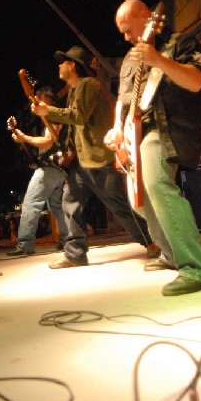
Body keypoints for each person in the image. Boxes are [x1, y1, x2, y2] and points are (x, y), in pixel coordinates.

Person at [104, 0, 201, 296]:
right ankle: (169, 254)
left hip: (163, 129)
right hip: (133, 134)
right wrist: (116, 128)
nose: (126, 37)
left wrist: (158, 60)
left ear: (146, 16)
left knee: (157, 184)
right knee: (140, 202)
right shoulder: (128, 59)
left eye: (128, 29)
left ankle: (195, 268)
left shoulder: (180, 43)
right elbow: (122, 101)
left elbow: (195, 81)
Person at [32, 45, 160, 268]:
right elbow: (76, 127)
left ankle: (153, 241)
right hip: (83, 162)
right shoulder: (74, 89)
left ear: (72, 65)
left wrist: (49, 112)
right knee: (70, 202)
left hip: (100, 161)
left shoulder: (89, 85)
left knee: (121, 206)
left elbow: (79, 116)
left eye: (63, 62)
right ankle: (75, 253)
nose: (59, 66)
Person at [7, 87, 69, 256]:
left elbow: (48, 142)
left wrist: (24, 138)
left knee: (31, 202)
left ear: (49, 101)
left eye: (39, 101)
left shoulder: (53, 117)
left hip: (49, 170)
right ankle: (68, 240)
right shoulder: (53, 117)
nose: (35, 105)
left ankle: (25, 244)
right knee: (57, 206)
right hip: (58, 169)